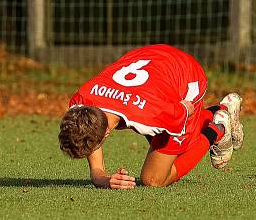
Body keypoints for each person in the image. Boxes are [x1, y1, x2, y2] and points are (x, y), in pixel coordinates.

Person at [58, 44, 244, 189]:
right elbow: (89, 132)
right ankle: (221, 111)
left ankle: (218, 127)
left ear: (106, 133)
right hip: (150, 58)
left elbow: (186, 110)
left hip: (186, 76)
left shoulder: (153, 116)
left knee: (154, 178)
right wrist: (101, 177)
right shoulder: (81, 101)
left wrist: (184, 115)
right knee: (161, 149)